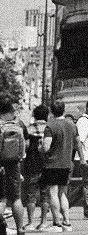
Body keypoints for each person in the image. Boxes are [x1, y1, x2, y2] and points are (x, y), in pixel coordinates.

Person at [40, 101, 77, 231]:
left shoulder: (50, 126)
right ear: (63, 110)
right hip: (66, 163)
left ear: (51, 111)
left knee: (53, 193)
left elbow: (46, 147)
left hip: (52, 164)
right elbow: (77, 143)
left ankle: (56, 223)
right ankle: (67, 222)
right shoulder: (71, 125)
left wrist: (40, 147)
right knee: (63, 194)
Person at [0, 97, 28, 235]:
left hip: (1, 165)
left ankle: (1, 226)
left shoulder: (0, 126)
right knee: (16, 198)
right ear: (10, 112)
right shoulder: (18, 127)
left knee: (2, 198)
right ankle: (20, 228)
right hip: (15, 165)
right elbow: (23, 149)